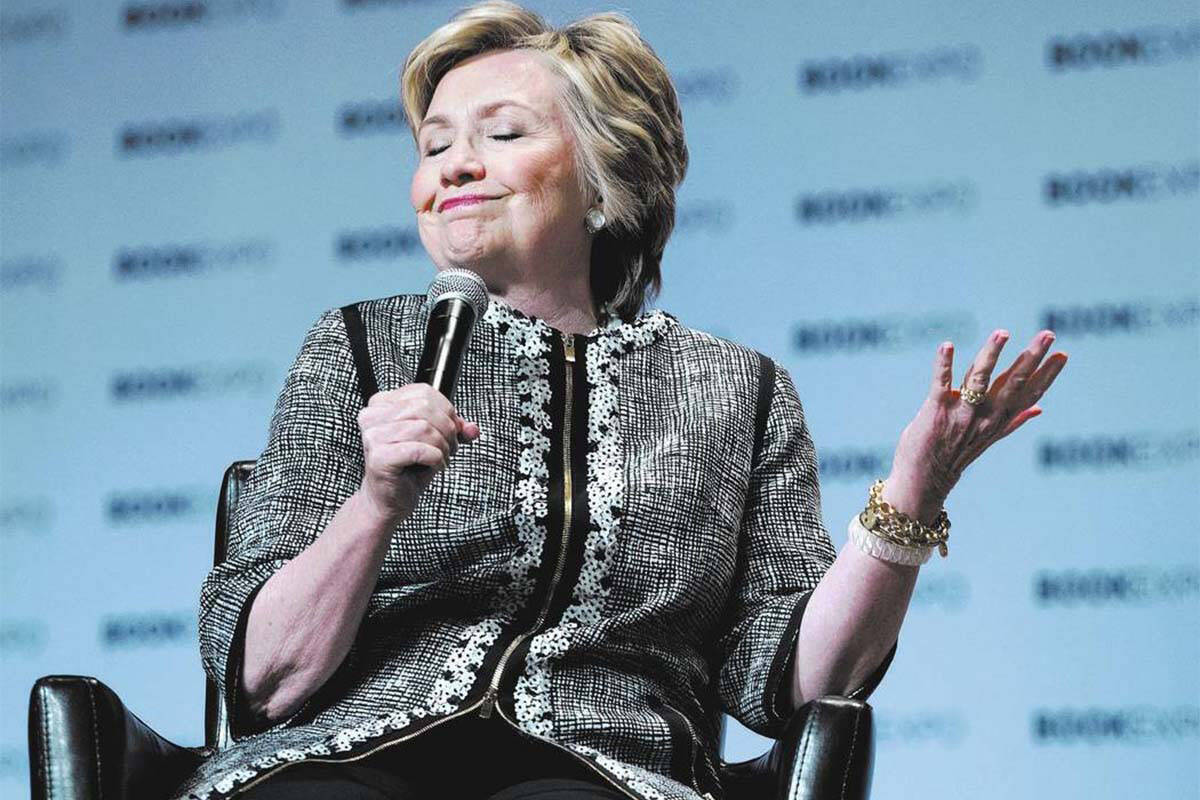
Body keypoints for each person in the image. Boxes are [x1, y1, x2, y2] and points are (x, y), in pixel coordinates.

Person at [170, 3, 1068, 799]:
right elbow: (262, 681)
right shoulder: (359, 347)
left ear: (604, 180)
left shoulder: (738, 393)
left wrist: (912, 493)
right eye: (434, 146)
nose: (454, 168)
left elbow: (795, 679)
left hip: (601, 767)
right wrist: (375, 505)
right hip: (345, 759)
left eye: (502, 134)